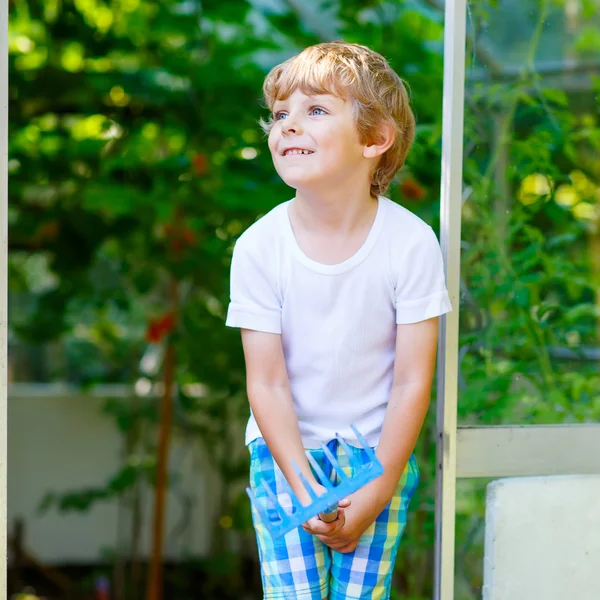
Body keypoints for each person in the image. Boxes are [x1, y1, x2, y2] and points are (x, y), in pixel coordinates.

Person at [226, 41, 452, 600]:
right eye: (281, 115)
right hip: (286, 459)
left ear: (375, 140)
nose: (289, 126)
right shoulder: (258, 248)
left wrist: (376, 487)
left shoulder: (412, 243)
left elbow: (411, 382)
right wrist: (305, 492)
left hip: (376, 459)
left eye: (317, 110)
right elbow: (267, 382)